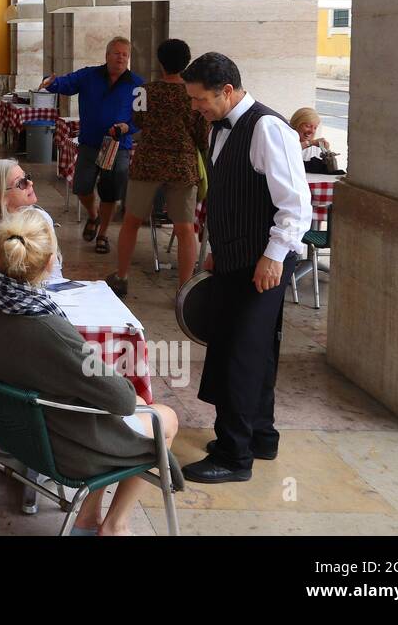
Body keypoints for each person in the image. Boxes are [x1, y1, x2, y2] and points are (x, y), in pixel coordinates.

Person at [0, 208, 181, 535]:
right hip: (64, 448)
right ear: (50, 262)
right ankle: (115, 525)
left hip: (15, 435)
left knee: (115, 404)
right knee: (163, 417)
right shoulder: (51, 330)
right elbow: (121, 400)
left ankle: (88, 519)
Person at [180, 52, 312, 483]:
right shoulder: (222, 128)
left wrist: (273, 257)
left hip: (264, 260)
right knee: (257, 349)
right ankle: (259, 434)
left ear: (228, 91)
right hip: (238, 256)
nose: (196, 106)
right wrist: (219, 247)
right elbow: (232, 195)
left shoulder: (267, 128)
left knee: (239, 354)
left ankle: (235, 457)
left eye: (200, 99)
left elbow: (295, 205)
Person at [106, 39, 209, 296]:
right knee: (186, 229)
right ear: (187, 63)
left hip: (147, 162)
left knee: (131, 221)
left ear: (160, 62)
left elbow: (138, 121)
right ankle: (184, 289)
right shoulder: (193, 93)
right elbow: (202, 133)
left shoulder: (143, 91)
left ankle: (121, 276)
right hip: (182, 165)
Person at [40, 37, 142, 254]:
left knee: (110, 192)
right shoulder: (89, 75)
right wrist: (52, 82)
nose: (121, 57)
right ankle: (93, 216)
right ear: (107, 55)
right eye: (116, 53)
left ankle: (103, 233)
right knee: (82, 186)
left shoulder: (136, 84)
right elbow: (67, 84)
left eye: (125, 54)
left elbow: (141, 117)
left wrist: (127, 127)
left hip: (118, 146)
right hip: (90, 143)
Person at [0, 159, 63, 283]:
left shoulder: (42, 218)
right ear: (0, 196)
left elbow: (54, 272)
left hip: (39, 295)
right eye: (21, 183)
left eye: (27, 177)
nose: (30, 183)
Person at [288, 107, 339, 173]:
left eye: (315, 128)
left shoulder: (316, 148)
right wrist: (309, 143)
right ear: (296, 124)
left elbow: (333, 171)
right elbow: (288, 151)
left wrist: (328, 153)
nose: (312, 131)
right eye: (308, 126)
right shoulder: (284, 142)